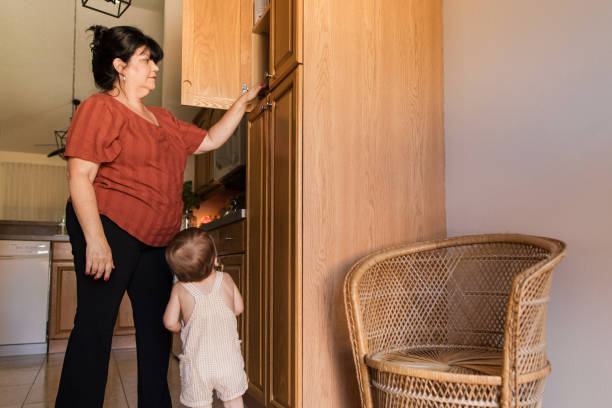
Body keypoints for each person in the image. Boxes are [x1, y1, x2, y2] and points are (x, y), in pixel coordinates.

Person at [55, 25, 262, 408]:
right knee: (95, 327)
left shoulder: (163, 119)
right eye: (145, 60)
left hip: (157, 240)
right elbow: (80, 175)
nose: (154, 68)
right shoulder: (99, 108)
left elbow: (211, 140)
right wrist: (96, 240)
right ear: (120, 66)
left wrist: (244, 100)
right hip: (110, 226)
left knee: (155, 331)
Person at [163, 228, 246, 408]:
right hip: (228, 361)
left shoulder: (180, 289)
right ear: (214, 259)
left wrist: (181, 326)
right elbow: (238, 308)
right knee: (233, 401)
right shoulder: (226, 279)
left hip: (197, 364)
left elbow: (169, 322)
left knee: (200, 404)